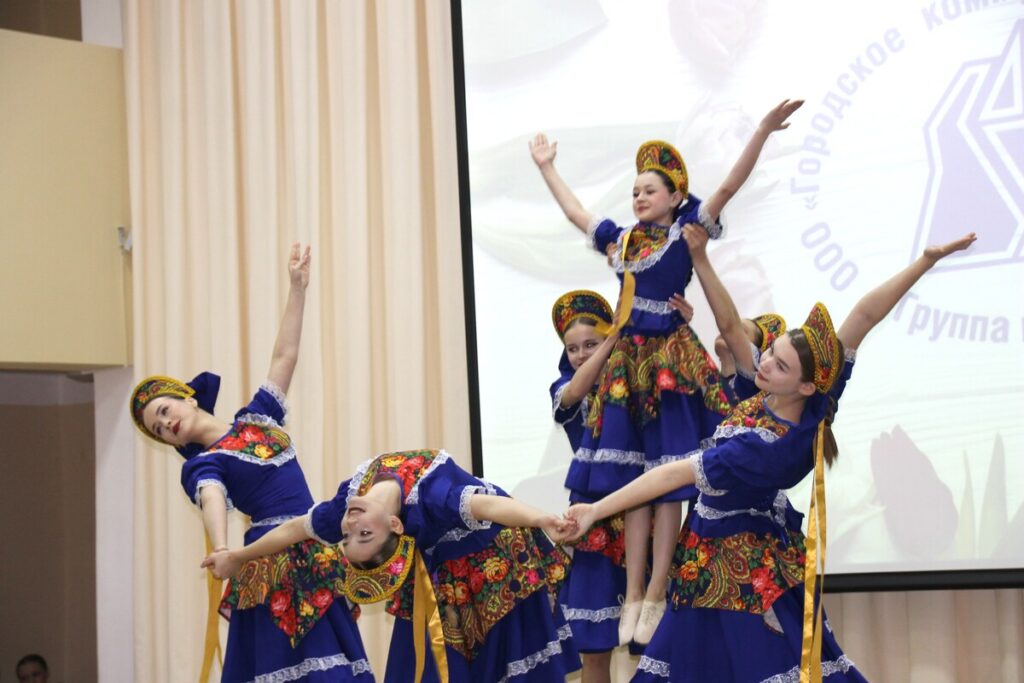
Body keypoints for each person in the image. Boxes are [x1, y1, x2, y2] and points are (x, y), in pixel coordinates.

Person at [565, 225, 977, 681]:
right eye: (770, 352)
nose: (763, 362)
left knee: (752, 666)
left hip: (737, 571)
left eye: (779, 365)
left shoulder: (767, 448)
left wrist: (596, 509)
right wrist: (926, 261)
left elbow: (672, 475)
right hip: (717, 560)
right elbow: (863, 315)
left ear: (804, 385)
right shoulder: (810, 398)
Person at [529, 98, 804, 645]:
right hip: (626, 368)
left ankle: (657, 588)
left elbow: (729, 186)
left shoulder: (685, 234)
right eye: (635, 190)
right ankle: (633, 593)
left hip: (671, 365)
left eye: (650, 189)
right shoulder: (623, 241)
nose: (639, 197)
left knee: (668, 482)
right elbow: (578, 214)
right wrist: (547, 168)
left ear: (676, 196)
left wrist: (762, 132)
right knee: (634, 481)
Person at [129, 245, 373, 683]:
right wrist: (223, 549)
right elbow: (212, 498)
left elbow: (284, 357)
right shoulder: (202, 465)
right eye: (160, 430)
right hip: (272, 559)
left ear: (187, 397)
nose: (167, 425)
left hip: (314, 547)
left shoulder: (258, 417)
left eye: (164, 411)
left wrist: (297, 288)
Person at [203, 449, 583, 683]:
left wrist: (541, 520)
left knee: (504, 663)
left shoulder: (359, 503)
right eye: (360, 536)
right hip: (451, 570)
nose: (351, 526)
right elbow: (291, 531)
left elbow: (489, 506)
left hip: (494, 560)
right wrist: (236, 557)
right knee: (427, 664)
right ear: (395, 527)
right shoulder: (427, 501)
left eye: (351, 535)